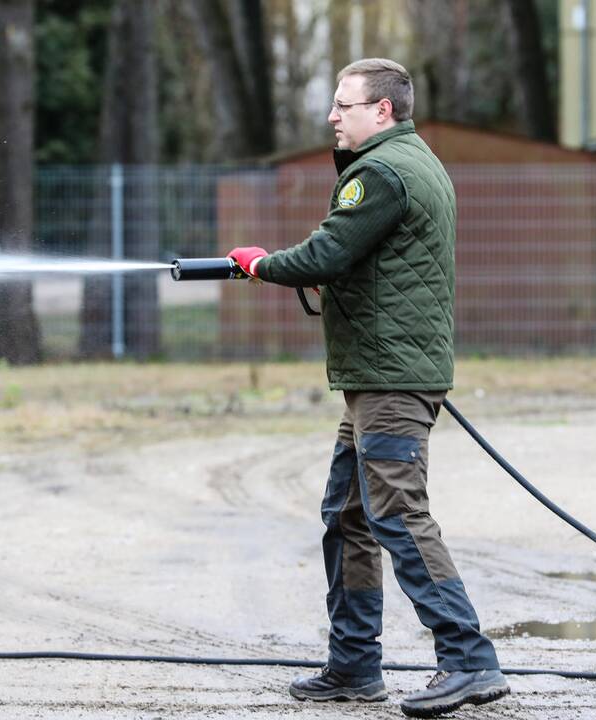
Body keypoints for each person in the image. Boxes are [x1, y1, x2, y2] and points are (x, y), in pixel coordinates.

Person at [226, 58, 509, 717]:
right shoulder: (417, 162)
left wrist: (262, 264)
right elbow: (369, 261)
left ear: (382, 111)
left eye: (344, 105)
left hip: (390, 378)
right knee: (350, 514)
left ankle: (468, 657)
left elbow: (327, 253)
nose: (332, 116)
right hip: (383, 373)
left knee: (397, 515)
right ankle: (354, 665)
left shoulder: (379, 172)